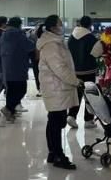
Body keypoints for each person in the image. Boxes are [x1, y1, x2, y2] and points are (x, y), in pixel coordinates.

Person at [37, 14, 81, 170]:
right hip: (56, 88)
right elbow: (60, 68)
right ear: (53, 27)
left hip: (57, 87)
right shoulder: (51, 45)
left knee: (54, 121)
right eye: (60, 23)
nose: (63, 26)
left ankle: (53, 153)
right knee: (56, 122)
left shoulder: (55, 42)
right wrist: (75, 81)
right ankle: (58, 155)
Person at [0, 17, 35, 123]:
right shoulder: (19, 35)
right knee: (22, 90)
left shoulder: (3, 35)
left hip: (6, 68)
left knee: (10, 92)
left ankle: (10, 113)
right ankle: (8, 109)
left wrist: (1, 67)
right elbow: (30, 46)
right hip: (18, 68)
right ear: (19, 25)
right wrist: (30, 38)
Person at [67, 16, 99, 129]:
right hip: (89, 71)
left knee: (76, 94)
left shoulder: (71, 37)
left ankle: (71, 116)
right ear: (90, 25)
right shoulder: (91, 38)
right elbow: (97, 53)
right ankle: (88, 120)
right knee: (90, 94)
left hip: (75, 70)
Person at [29, 23, 42, 97]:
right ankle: (39, 89)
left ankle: (42, 89)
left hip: (43, 59)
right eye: (37, 27)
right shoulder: (32, 35)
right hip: (35, 58)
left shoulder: (45, 36)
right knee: (37, 74)